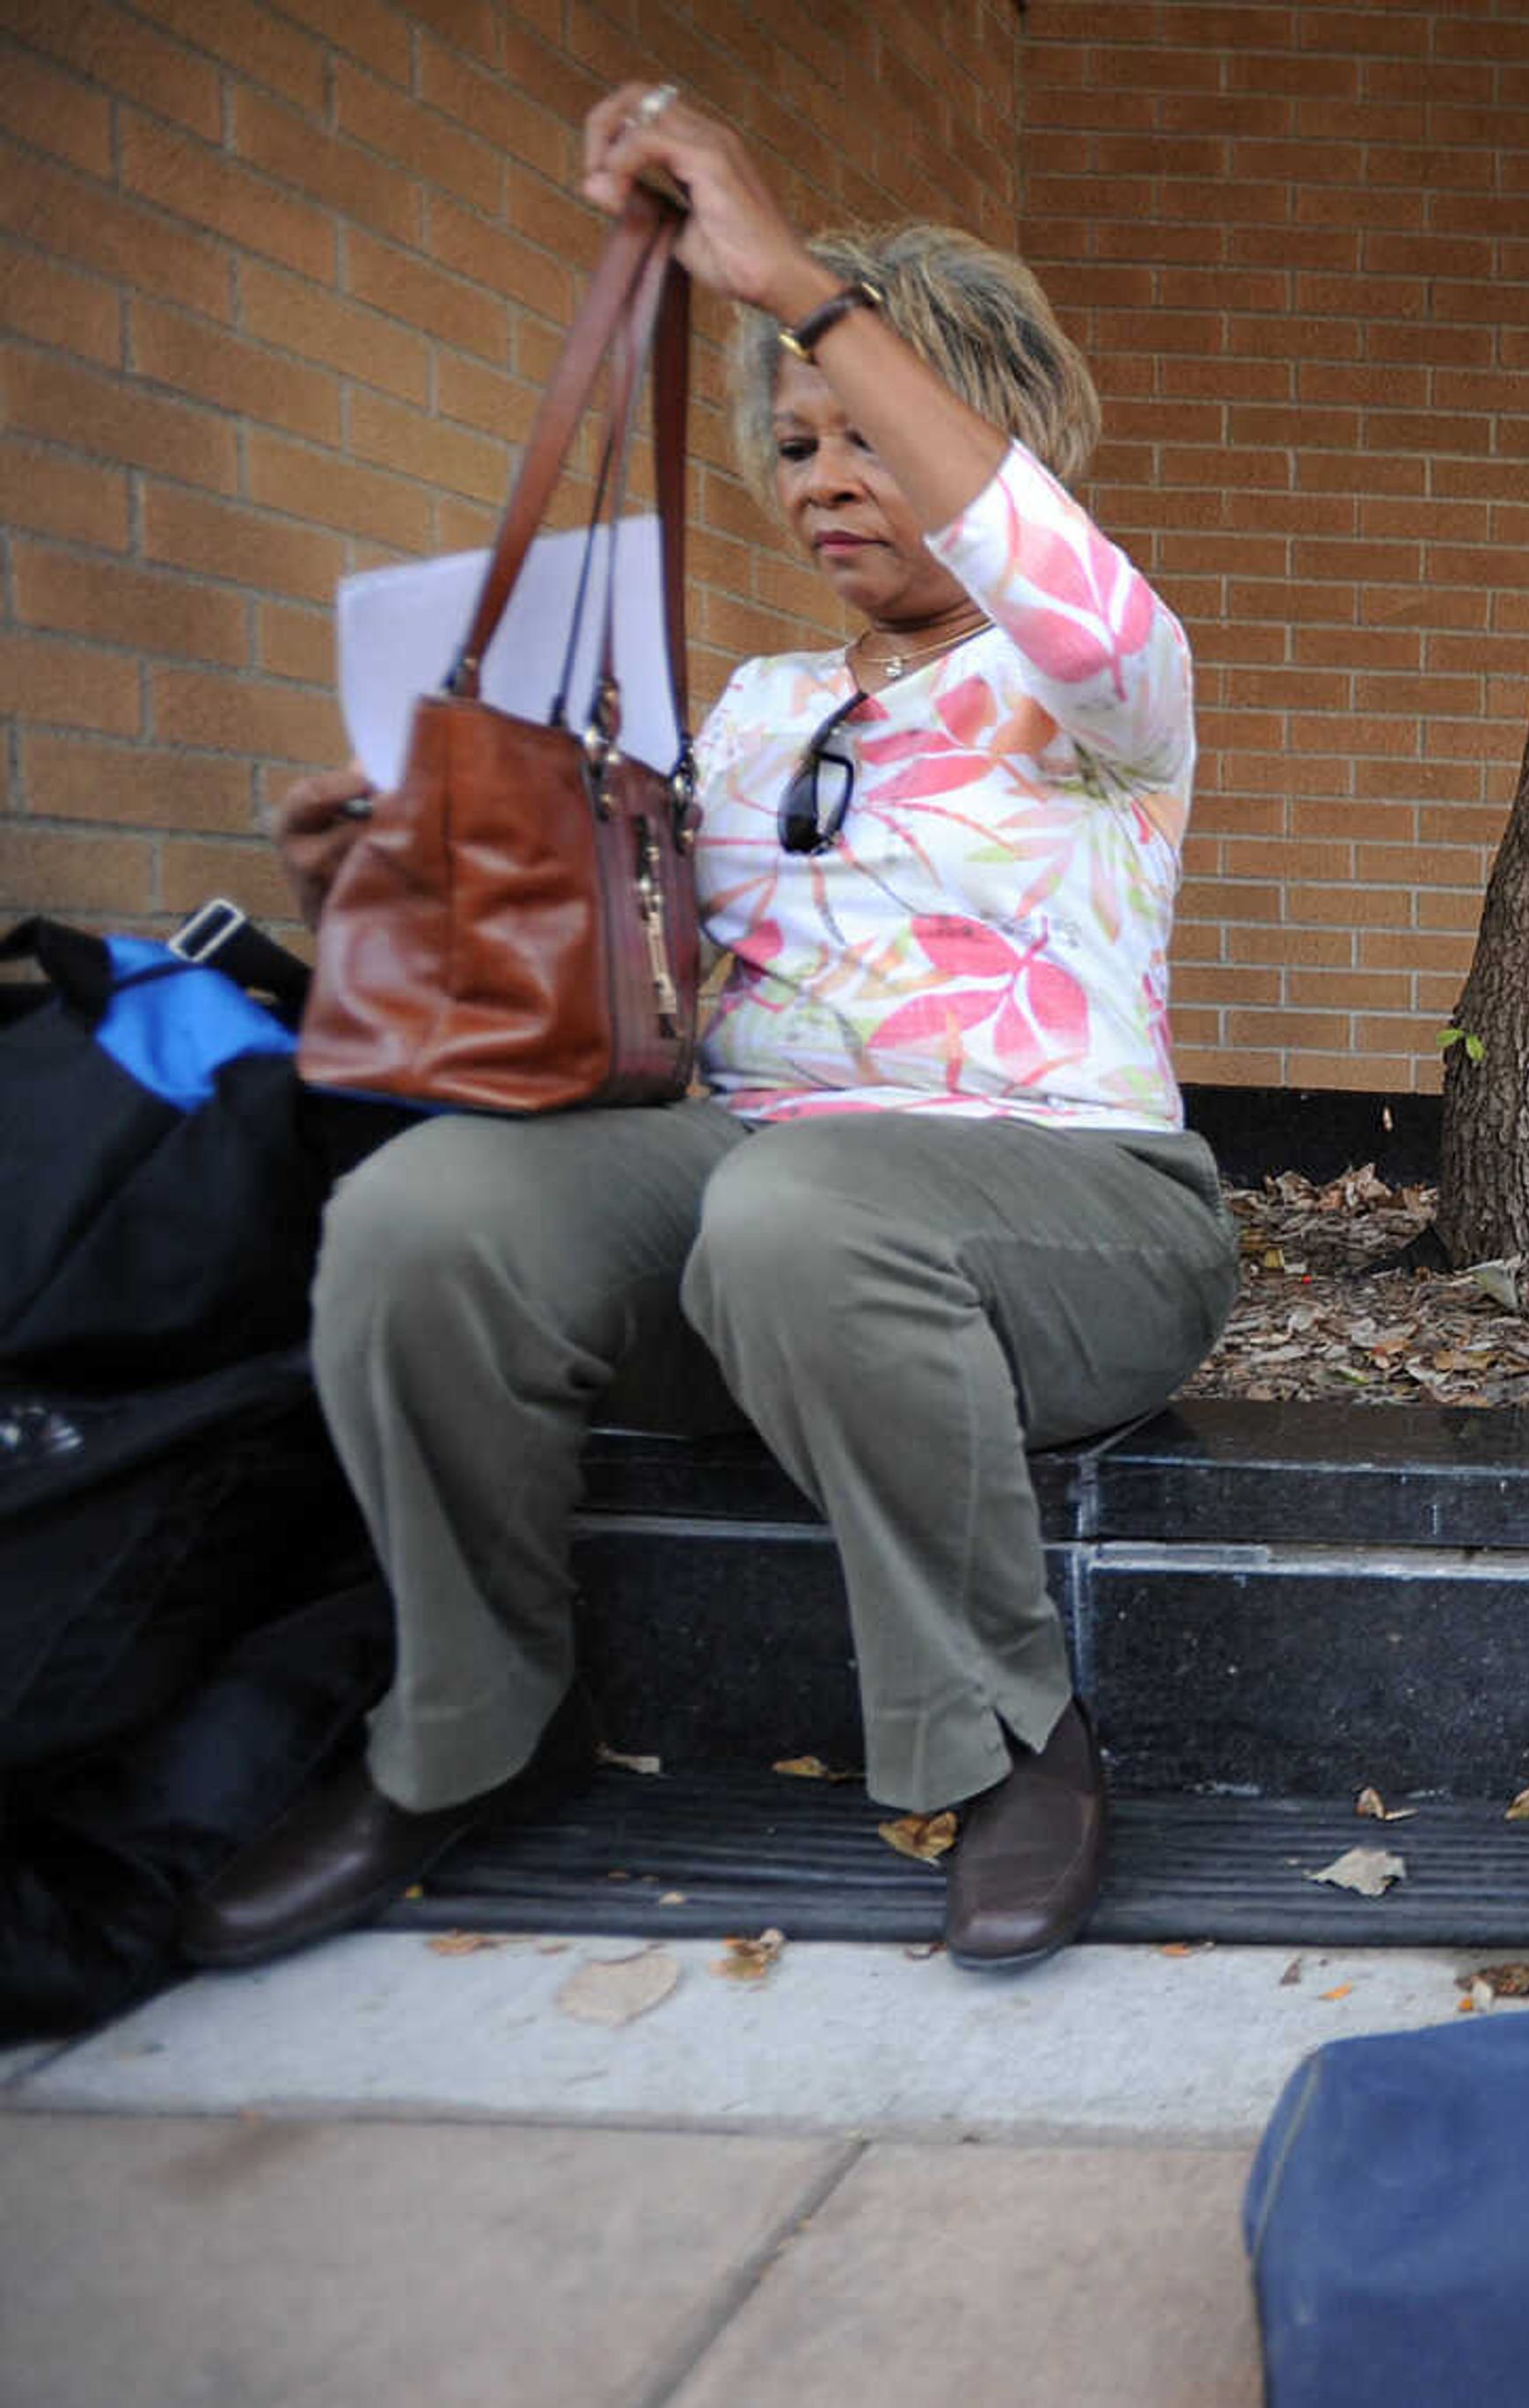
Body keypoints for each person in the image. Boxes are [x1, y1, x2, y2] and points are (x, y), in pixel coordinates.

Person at [179, 84, 1238, 1975]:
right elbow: (605, 1021)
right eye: (799, 439)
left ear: (996, 445)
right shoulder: (739, 707)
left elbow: (1059, 582)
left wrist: (794, 280)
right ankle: (465, 1736)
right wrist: (362, 904)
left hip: (1075, 1220)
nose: (828, 471)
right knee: (428, 1216)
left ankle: (1007, 1741)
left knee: (802, 1210)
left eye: (873, 434)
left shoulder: (1106, 683)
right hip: (755, 1207)